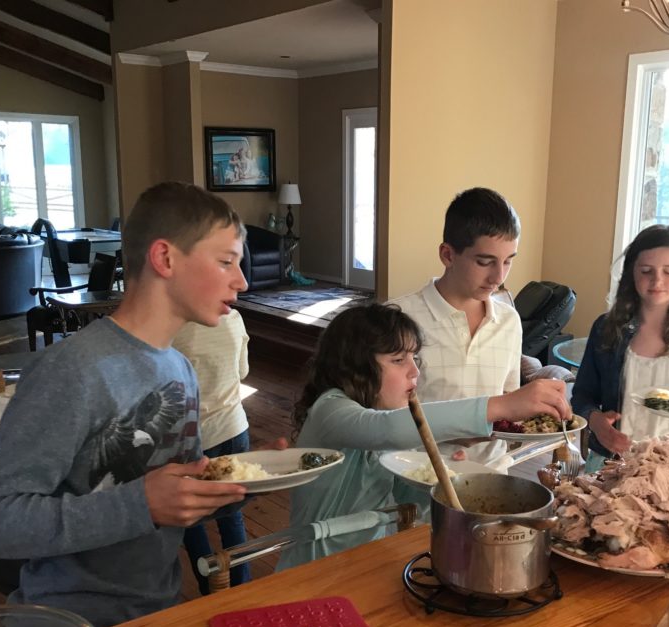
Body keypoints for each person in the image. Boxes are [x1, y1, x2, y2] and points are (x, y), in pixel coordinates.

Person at [0, 182, 250, 627]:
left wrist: (241, 487)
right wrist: (142, 505)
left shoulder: (180, 369)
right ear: (165, 258)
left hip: (156, 617)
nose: (242, 281)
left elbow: (173, 498)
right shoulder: (73, 370)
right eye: (226, 261)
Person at [276, 303, 571, 570]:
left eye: (414, 357)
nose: (414, 370)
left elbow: (408, 504)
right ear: (356, 365)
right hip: (313, 567)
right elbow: (386, 429)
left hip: (370, 560)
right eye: (398, 359)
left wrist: (436, 473)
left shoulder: (384, 418)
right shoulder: (330, 409)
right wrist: (502, 405)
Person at [571, 224, 669, 467]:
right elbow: (582, 396)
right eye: (646, 270)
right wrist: (596, 422)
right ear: (631, 272)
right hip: (614, 461)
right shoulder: (606, 329)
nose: (657, 280)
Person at [393, 188, 526, 467]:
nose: (498, 277)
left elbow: (507, 402)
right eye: (484, 261)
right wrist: (455, 430)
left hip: (492, 476)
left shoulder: (509, 322)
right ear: (448, 255)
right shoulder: (398, 318)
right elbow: (380, 421)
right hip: (417, 477)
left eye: (508, 261)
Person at [172, 308, 254, 594]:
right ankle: (241, 584)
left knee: (191, 519)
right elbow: (242, 371)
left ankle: (210, 586)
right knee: (232, 513)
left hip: (196, 437)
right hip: (235, 426)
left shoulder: (178, 325)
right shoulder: (234, 319)